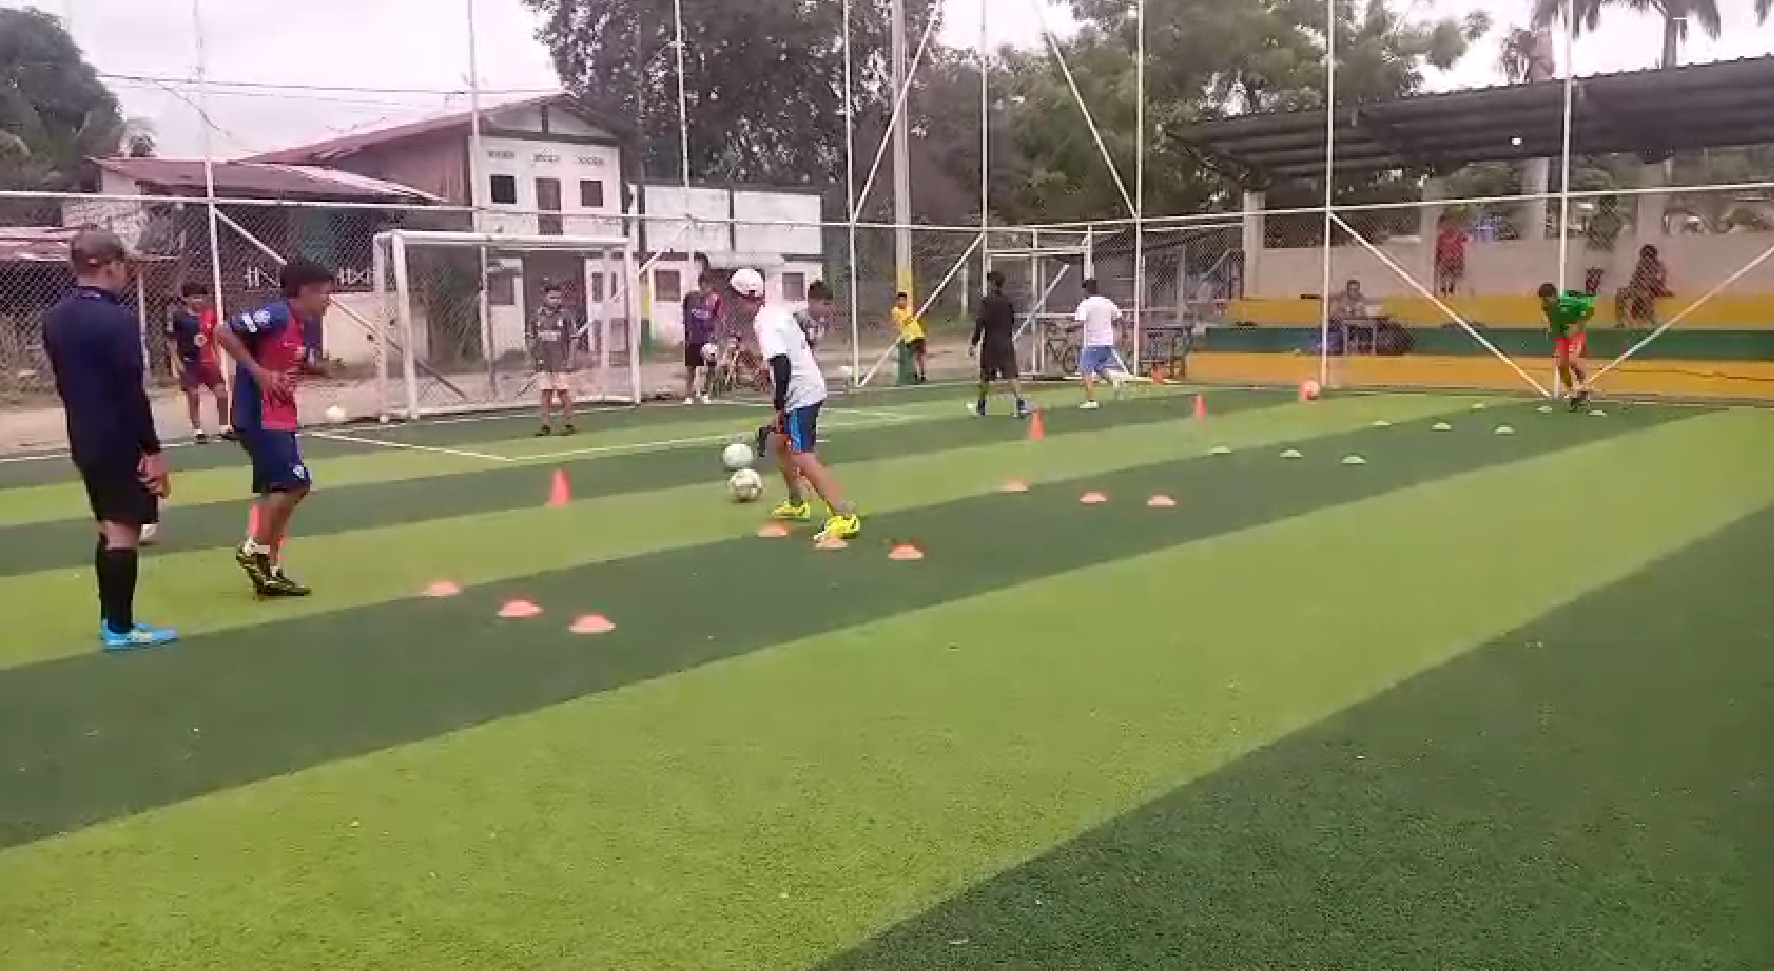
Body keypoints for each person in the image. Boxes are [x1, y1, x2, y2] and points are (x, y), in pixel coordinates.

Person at [42, 228, 177, 649]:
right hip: (117, 436)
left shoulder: (55, 318)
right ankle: (119, 628)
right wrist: (152, 449)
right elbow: (129, 391)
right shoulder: (117, 320)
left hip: (83, 433)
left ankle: (112, 622)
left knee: (109, 525)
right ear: (113, 266)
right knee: (123, 530)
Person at [214, 260, 335, 598]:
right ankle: (253, 550)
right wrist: (258, 372)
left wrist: (315, 368)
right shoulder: (277, 315)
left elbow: (287, 358)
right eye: (325, 293)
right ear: (305, 291)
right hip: (259, 416)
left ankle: (268, 569)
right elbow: (222, 331)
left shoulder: (301, 325)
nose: (329, 300)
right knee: (296, 483)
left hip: (278, 416)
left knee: (276, 491)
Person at [733, 267, 861, 543]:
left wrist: (779, 407)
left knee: (802, 453)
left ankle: (844, 515)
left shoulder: (764, 323)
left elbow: (782, 364)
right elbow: (782, 358)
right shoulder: (774, 312)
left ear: (742, 297)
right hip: (803, 388)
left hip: (803, 394)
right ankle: (797, 503)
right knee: (782, 444)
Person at [167, 281, 232, 443]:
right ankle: (198, 431)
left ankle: (225, 427)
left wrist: (218, 357)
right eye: (195, 298)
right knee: (194, 395)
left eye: (201, 297)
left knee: (222, 393)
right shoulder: (178, 317)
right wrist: (177, 363)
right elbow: (171, 342)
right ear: (186, 299)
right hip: (189, 363)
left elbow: (213, 337)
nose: (199, 301)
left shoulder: (210, 315)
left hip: (208, 362)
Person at [970, 269, 1031, 418]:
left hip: (991, 344)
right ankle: (1021, 405)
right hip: (1006, 342)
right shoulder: (1008, 301)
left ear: (992, 283)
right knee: (1011, 375)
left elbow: (980, 322)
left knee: (985, 376)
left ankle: (981, 406)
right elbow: (1012, 320)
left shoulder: (987, 301)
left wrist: (974, 342)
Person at [529, 281, 578, 434]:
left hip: (560, 362)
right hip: (543, 362)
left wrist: (570, 360)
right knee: (545, 393)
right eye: (552, 297)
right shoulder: (536, 315)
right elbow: (531, 338)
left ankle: (569, 424)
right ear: (545, 298)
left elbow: (573, 339)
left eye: (558, 298)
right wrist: (532, 357)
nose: (556, 301)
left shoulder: (566, 315)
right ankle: (545, 426)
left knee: (563, 393)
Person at [1539, 283, 1594, 412]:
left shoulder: (1571, 302)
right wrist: (1551, 327)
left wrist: (1577, 326)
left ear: (1554, 295)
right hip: (1562, 335)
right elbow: (1550, 317)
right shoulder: (1546, 306)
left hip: (1576, 334)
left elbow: (1588, 309)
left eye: (1546, 299)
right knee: (1561, 365)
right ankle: (1573, 393)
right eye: (1542, 300)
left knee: (1572, 361)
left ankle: (1584, 386)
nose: (1544, 302)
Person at [1073, 278, 1124, 410]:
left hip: (1094, 343)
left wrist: (1067, 327)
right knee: (1099, 367)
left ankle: (1091, 400)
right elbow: (1119, 317)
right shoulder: (1107, 302)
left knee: (1085, 370)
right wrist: (1123, 333)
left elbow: (1080, 322)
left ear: (1086, 290)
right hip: (1107, 343)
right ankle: (1115, 382)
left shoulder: (1086, 304)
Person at [682, 271, 720, 404]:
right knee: (691, 367)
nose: (708, 289)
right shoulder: (691, 297)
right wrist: (687, 334)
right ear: (701, 284)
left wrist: (714, 336)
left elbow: (717, 318)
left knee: (711, 367)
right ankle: (688, 395)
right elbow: (686, 315)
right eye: (706, 285)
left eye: (710, 286)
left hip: (708, 340)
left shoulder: (715, 300)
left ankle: (705, 393)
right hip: (694, 338)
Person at [1620, 244, 1669, 329]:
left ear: (1653, 256)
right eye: (1644, 255)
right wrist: (1633, 287)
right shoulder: (1640, 265)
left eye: (1648, 255)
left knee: (1646, 294)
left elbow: (1660, 281)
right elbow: (1634, 279)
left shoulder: (1659, 266)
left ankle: (1652, 319)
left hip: (1652, 288)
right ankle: (1622, 321)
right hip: (1639, 288)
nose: (1645, 258)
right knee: (1621, 293)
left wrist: (1651, 285)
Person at [891, 292, 926, 383]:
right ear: (897, 301)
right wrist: (900, 332)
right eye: (901, 300)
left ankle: (922, 375)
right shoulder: (895, 311)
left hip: (919, 333)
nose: (903, 302)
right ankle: (915, 375)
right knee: (912, 356)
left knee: (920, 355)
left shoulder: (909, 309)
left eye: (904, 300)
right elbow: (897, 323)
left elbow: (913, 319)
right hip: (909, 336)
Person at [796, 280, 831, 352]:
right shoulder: (797, 321)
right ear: (811, 301)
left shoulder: (821, 322)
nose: (828, 308)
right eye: (825, 304)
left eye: (829, 305)